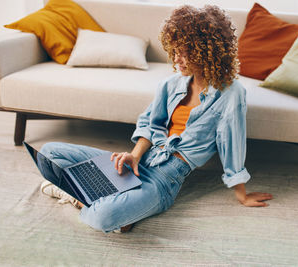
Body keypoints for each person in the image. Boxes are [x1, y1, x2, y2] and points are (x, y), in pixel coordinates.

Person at [39, 4, 273, 233]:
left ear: (208, 51)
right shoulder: (170, 84)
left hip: (164, 180)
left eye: (186, 53)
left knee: (102, 217)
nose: (177, 60)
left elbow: (232, 143)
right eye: (175, 51)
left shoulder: (231, 93)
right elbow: (150, 124)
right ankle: (115, 200)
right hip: (138, 163)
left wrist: (241, 194)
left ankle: (78, 197)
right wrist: (133, 156)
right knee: (49, 153)